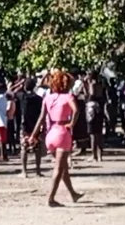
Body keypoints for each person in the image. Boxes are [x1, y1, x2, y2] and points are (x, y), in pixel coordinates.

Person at [29, 70, 84, 207]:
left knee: (63, 166)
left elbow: (41, 118)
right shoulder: (68, 97)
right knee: (59, 168)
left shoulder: (48, 98)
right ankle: (51, 198)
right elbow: (76, 110)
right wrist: (72, 123)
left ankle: (73, 193)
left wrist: (33, 135)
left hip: (50, 134)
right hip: (62, 132)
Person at [18, 77, 45, 178]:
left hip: (24, 126)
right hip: (36, 126)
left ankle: (24, 171)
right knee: (37, 149)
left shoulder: (22, 96)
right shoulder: (39, 99)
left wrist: (19, 85)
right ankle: (38, 171)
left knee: (24, 148)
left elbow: (9, 93)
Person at [84, 71, 107, 162]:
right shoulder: (101, 84)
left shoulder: (92, 84)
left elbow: (91, 94)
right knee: (99, 133)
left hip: (92, 109)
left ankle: (94, 155)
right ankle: (100, 154)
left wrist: (87, 84)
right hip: (100, 108)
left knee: (93, 133)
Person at [0, 83, 11, 162]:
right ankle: (4, 155)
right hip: (3, 119)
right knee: (3, 139)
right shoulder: (4, 98)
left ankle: (2, 156)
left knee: (0, 139)